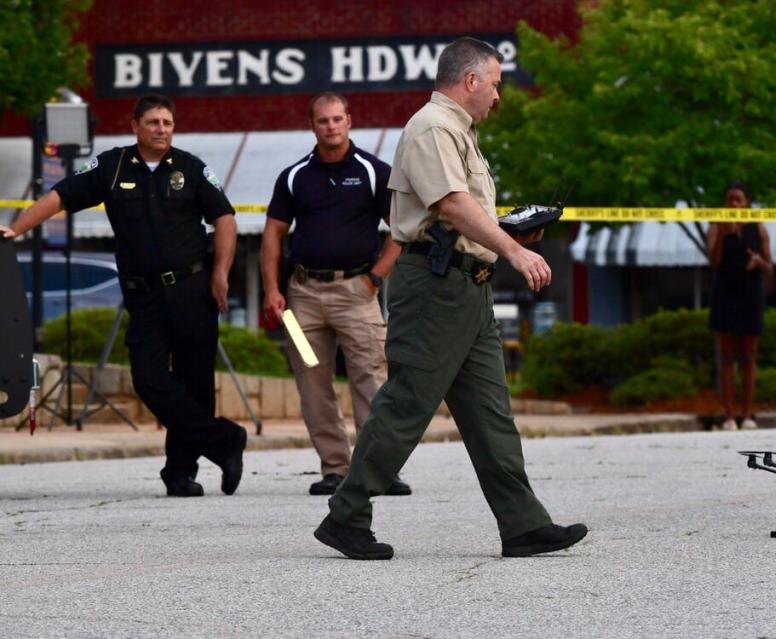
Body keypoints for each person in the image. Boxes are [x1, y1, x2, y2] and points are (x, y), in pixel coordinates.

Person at [313, 36, 588, 560]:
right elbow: (453, 205)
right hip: (436, 287)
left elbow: (464, 214)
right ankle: (346, 516)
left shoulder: (459, 133)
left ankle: (523, 524)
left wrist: (509, 231)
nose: (498, 96)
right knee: (407, 404)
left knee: (490, 414)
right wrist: (514, 250)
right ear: (470, 81)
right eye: (496, 84)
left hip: (468, 287)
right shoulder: (431, 127)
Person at [1, 94, 246, 497]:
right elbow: (60, 196)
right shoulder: (112, 166)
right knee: (148, 380)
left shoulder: (191, 167)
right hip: (144, 295)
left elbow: (225, 217)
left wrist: (221, 273)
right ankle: (225, 440)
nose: (162, 130)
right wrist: (17, 228)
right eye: (153, 122)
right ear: (135, 126)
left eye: (167, 122)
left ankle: (181, 473)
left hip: (192, 289)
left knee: (195, 382)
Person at [261, 93, 409, 497]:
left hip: (356, 295)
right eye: (323, 121)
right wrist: (273, 290)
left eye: (337, 119)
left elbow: (401, 229)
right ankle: (335, 469)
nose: (331, 126)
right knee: (313, 383)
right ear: (313, 125)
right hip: (302, 298)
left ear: (349, 121)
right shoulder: (295, 177)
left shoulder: (372, 172)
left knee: (372, 380)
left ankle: (378, 469)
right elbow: (273, 234)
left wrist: (375, 279)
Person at [707, 181, 773, 431]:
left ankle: (747, 415)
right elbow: (713, 262)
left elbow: (770, 267)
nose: (733, 204)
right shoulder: (716, 226)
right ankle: (728, 417)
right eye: (730, 199)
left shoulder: (759, 229)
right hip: (725, 293)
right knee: (726, 357)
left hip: (750, 295)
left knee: (748, 356)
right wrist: (723, 237)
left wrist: (758, 261)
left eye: (739, 199)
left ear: (747, 203)